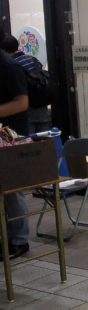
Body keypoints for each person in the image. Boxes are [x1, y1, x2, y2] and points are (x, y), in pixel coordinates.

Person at [0, 38, 30, 259]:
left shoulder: (10, 67)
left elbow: (22, 102)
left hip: (11, 137)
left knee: (13, 190)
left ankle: (19, 241)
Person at [2, 36, 51, 133]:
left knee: (30, 144)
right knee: (44, 143)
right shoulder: (33, 60)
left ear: (4, 51)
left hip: (28, 112)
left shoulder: (13, 66)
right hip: (42, 109)